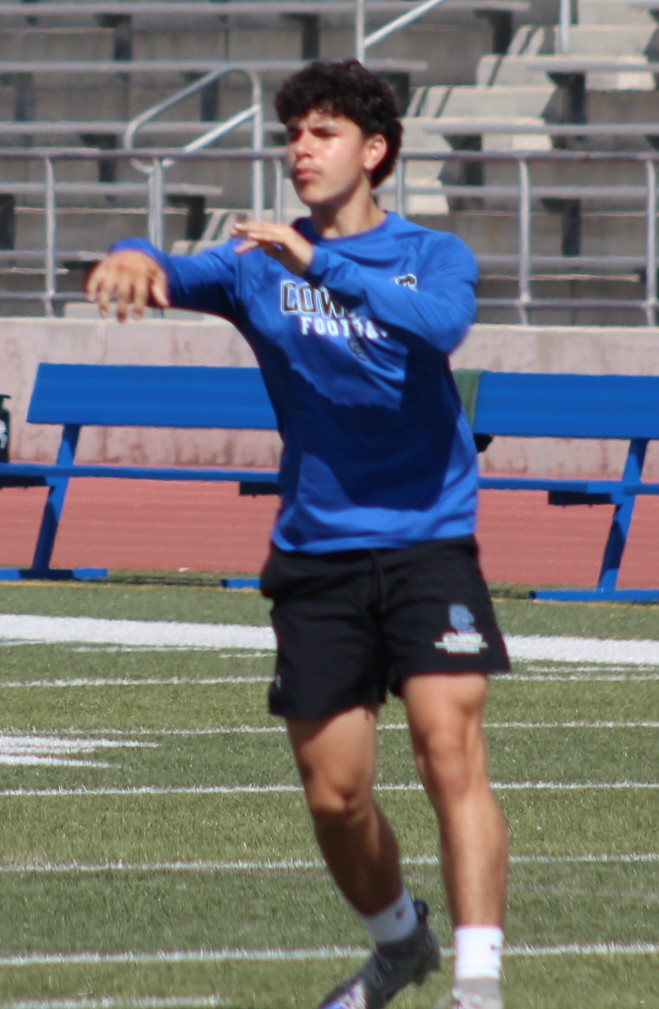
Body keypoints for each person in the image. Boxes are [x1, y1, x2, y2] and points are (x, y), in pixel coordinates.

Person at [87, 59, 510, 1009]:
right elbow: (169, 268)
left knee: (449, 747)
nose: (300, 151)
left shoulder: (432, 252)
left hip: (428, 540)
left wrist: (317, 264)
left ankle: (477, 986)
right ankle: (399, 944)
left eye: (323, 133)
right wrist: (131, 251)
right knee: (335, 795)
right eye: (292, 135)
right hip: (316, 553)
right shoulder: (255, 262)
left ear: (375, 150)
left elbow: (439, 326)